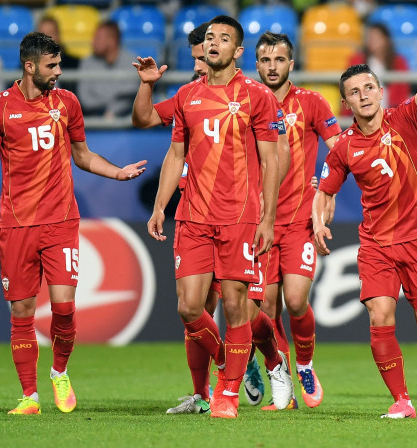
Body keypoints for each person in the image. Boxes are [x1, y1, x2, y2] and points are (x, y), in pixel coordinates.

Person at [0, 32, 146, 415]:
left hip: (60, 220)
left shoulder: (67, 103)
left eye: (59, 64)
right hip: (16, 225)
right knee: (22, 311)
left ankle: (59, 372)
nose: (59, 72)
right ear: (29, 67)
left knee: (64, 308)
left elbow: (82, 155)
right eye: (52, 66)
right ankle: (29, 397)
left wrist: (116, 173)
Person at [313, 23, 417, 419]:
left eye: (368, 88)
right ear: (346, 103)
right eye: (354, 93)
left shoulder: (405, 119)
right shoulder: (343, 149)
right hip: (375, 244)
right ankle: (402, 399)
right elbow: (324, 190)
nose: (363, 96)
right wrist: (320, 221)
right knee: (380, 316)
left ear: (380, 90)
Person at [134, 23, 295, 415]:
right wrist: (160, 206)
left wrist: (268, 218)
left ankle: (229, 392)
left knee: (241, 308)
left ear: (238, 51)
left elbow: (272, 158)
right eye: (209, 38)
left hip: (239, 217)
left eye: (223, 39)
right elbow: (172, 152)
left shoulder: (256, 96)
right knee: (190, 309)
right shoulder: (188, 95)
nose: (213, 43)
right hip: (193, 217)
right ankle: (230, 367)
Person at [244, 31, 342, 411]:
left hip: (300, 219)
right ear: (256, 65)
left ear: (291, 63)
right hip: (260, 223)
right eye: (265, 61)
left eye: (279, 60)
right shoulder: (247, 102)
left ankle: (305, 366)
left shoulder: (312, 103)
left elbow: (341, 150)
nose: (272, 67)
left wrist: (327, 187)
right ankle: (280, 382)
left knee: (296, 299)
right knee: (264, 313)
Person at [77, 21, 138, 120]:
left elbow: (131, 94)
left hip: (127, 121)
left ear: (112, 40)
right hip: (95, 119)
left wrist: (113, 111)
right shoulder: (87, 62)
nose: (92, 41)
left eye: (97, 38)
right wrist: (110, 105)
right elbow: (85, 98)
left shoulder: (132, 61)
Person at [348, 22, 410, 109]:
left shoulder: (399, 62)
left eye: (376, 37)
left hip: (391, 113)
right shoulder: (357, 61)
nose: (372, 40)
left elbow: (402, 92)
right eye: (370, 37)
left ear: (386, 40)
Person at [36, 15, 80, 92]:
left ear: (58, 35)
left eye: (50, 33)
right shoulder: (28, 64)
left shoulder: (74, 64)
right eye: (41, 35)